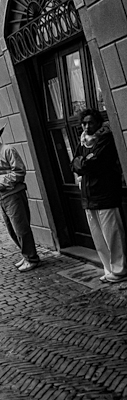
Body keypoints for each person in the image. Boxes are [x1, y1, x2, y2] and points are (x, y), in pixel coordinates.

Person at [71, 108, 127, 283]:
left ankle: (120, 270)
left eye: (91, 123)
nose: (87, 126)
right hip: (89, 197)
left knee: (113, 236)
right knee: (99, 238)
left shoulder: (105, 139)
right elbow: (74, 163)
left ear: (98, 123)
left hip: (105, 194)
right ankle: (109, 269)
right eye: (84, 123)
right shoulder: (83, 142)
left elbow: (91, 163)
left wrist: (82, 162)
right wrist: (83, 161)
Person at [0, 125, 40, 272]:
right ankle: (26, 255)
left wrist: (3, 183)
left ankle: (32, 258)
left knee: (21, 228)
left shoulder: (7, 150)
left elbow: (19, 171)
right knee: (12, 230)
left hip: (13, 195)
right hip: (0, 197)